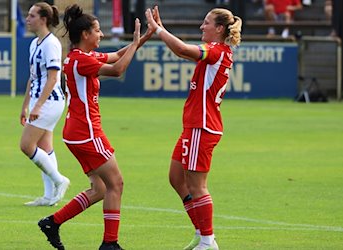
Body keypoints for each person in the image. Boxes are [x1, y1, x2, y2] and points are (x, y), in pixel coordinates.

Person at [37, 4, 154, 250]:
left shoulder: (82, 58)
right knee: (116, 183)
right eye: (98, 31)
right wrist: (134, 44)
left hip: (77, 133)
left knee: (100, 188)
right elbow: (118, 69)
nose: (101, 35)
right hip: (87, 133)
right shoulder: (81, 61)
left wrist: (142, 38)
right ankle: (110, 244)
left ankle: (52, 222)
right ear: (86, 35)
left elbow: (117, 55)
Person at [146, 6, 242, 250]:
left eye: (207, 23)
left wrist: (158, 30)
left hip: (202, 126)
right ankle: (201, 233)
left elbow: (181, 49)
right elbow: (183, 51)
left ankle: (208, 241)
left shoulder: (216, 50)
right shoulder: (217, 51)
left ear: (219, 29)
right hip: (195, 125)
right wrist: (162, 29)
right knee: (176, 178)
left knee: (197, 186)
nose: (202, 26)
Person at [19, 2, 70, 207]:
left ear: (43, 19)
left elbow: (52, 78)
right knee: (44, 147)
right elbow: (33, 78)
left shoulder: (51, 44)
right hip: (39, 100)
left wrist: (38, 106)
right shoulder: (34, 43)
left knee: (26, 145)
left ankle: (59, 180)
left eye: (31, 16)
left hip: (50, 101)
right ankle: (50, 196)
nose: (27, 19)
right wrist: (25, 105)